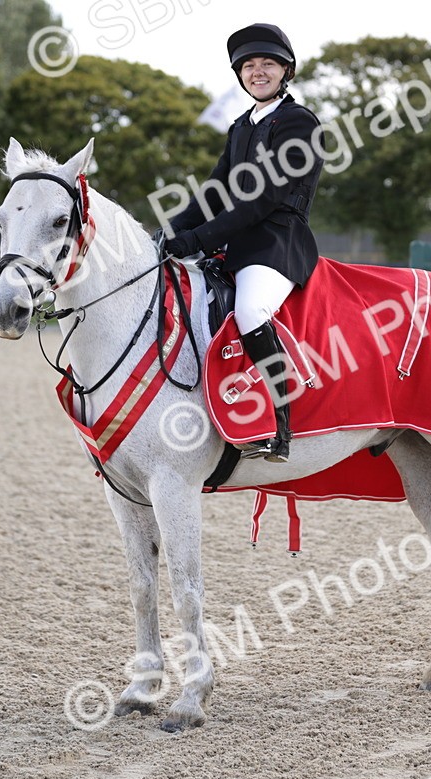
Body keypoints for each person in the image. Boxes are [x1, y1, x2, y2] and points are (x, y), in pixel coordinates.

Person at [164, 23, 325, 463]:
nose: (257, 72)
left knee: (250, 310)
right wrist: (167, 233)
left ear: (285, 71)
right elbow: (215, 191)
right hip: (238, 242)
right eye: (249, 66)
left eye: (267, 64)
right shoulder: (240, 127)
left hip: (278, 242)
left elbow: (264, 199)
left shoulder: (299, 122)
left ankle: (281, 423)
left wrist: (198, 238)